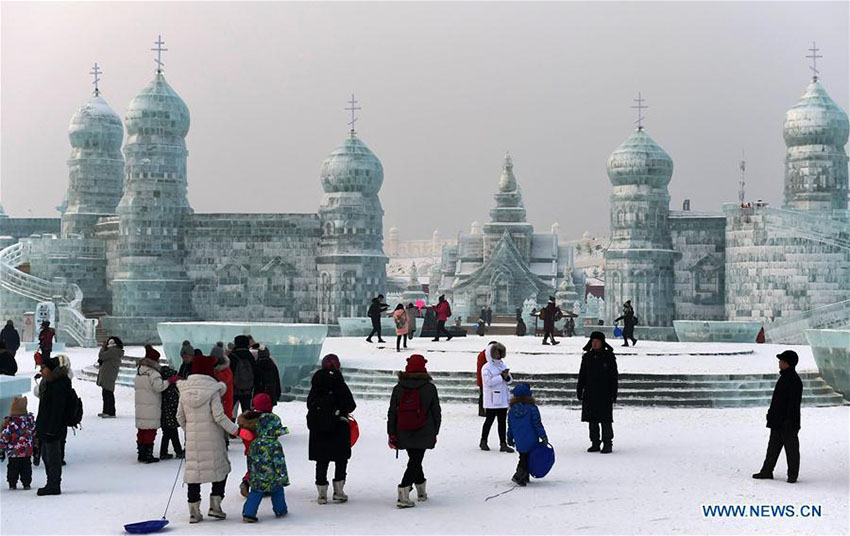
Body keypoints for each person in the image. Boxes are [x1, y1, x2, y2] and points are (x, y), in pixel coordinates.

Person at [177, 352, 240, 523]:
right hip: (213, 439)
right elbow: (219, 417)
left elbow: (180, 417)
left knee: (193, 474)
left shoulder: (184, 390)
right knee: (221, 470)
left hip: (192, 440)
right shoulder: (213, 390)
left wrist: (189, 430)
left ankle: (194, 512)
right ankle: (215, 506)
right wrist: (237, 431)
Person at [387, 354, 441, 508]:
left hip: (403, 429)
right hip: (424, 429)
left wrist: (391, 433)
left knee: (415, 459)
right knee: (416, 460)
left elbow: (392, 412)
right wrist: (435, 431)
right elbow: (436, 411)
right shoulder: (429, 388)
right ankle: (404, 490)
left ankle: (421, 489)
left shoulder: (398, 388)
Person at [307, 354, 357, 504]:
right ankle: (339, 491)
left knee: (321, 459)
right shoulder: (340, 383)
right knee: (340, 459)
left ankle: (322, 494)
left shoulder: (316, 384)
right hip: (339, 426)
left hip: (319, 427)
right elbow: (351, 405)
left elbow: (310, 404)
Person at [753, 350, 803, 483]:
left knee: (791, 450)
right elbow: (777, 401)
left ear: (788, 363)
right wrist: (772, 416)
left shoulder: (793, 380)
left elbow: (793, 404)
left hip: (787, 423)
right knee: (772, 448)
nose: (779, 362)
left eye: (782, 361)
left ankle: (792, 475)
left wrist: (788, 421)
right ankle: (766, 471)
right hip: (778, 421)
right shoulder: (785, 377)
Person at [242, 412, 290, 522]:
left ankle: (248, 514)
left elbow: (250, 459)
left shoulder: (255, 443)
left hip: (257, 476)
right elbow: (279, 462)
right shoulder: (275, 445)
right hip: (273, 477)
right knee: (277, 491)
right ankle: (280, 510)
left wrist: (251, 474)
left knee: (255, 493)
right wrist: (283, 477)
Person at [577, 331, 619, 454]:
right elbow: (582, 375)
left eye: (597, 342)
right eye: (593, 341)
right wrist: (580, 390)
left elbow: (613, 376)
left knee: (605, 420)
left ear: (602, 343)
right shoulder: (587, 357)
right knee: (592, 420)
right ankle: (595, 442)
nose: (594, 344)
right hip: (590, 393)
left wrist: (613, 393)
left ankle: (607, 443)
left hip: (605, 393)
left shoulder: (609, 357)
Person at [34, 357, 71, 495]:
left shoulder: (58, 386)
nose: (41, 371)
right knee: (46, 456)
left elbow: (57, 410)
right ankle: (51, 483)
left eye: (43, 368)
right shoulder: (50, 383)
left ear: (50, 369)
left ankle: (54, 485)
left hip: (52, 429)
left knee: (52, 458)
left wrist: (51, 430)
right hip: (47, 427)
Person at [135, 345, 177, 463]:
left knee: (142, 430)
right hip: (151, 405)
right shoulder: (153, 373)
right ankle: (148, 455)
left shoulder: (140, 371)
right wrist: (169, 381)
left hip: (141, 406)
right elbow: (159, 387)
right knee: (150, 430)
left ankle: (141, 453)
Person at [506, 383, 547, 487]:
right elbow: (537, 424)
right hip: (532, 438)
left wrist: (509, 438)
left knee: (523, 456)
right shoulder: (532, 408)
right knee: (527, 457)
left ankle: (524, 476)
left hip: (519, 439)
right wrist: (543, 436)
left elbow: (510, 426)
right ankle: (519, 475)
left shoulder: (512, 411)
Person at [237, 393, 275, 498]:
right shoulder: (268, 421)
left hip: (250, 452)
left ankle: (246, 482)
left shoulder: (248, 420)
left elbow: (244, 435)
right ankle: (264, 488)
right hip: (265, 452)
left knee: (252, 470)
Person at [480, 344, 514, 453]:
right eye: (497, 353)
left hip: (502, 398)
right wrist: (501, 377)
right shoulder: (486, 367)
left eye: (500, 352)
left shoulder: (502, 365)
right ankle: (483, 441)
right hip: (491, 399)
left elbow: (510, 379)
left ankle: (503, 443)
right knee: (489, 420)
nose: (499, 355)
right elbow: (488, 382)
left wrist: (507, 377)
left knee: (502, 422)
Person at [0, 396, 37, 490]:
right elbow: (34, 433)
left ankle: (12, 484)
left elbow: (5, 436)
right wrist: (35, 446)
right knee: (26, 468)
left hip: (14, 452)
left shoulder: (11, 423)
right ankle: (26, 483)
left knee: (13, 468)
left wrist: (2, 447)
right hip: (27, 451)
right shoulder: (30, 421)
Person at [159, 361, 183, 460]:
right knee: (173, 435)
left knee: (166, 435)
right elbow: (174, 404)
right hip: (170, 417)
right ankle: (178, 452)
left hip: (164, 416)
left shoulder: (164, 388)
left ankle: (163, 452)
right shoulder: (171, 390)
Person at [96, 336, 123, 418]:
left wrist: (102, 348)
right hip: (108, 373)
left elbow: (102, 356)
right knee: (106, 392)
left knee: (108, 393)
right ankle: (106, 410)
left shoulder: (113, 350)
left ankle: (110, 412)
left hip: (109, 374)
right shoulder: (115, 350)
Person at [476, 342, 505, 418]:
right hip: (485, 379)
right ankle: (482, 410)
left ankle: (484, 410)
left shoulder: (484, 355)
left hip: (485, 378)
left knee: (483, 394)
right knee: (483, 395)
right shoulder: (485, 357)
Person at [230, 335, 256, 416]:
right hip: (247, 389)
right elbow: (254, 372)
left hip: (234, 389)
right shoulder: (250, 356)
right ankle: (246, 427)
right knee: (247, 413)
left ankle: (231, 427)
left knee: (231, 411)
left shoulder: (232, 356)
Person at [211, 343, 234, 420]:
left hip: (224, 404)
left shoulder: (225, 370)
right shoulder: (222, 369)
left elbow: (223, 381)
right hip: (219, 404)